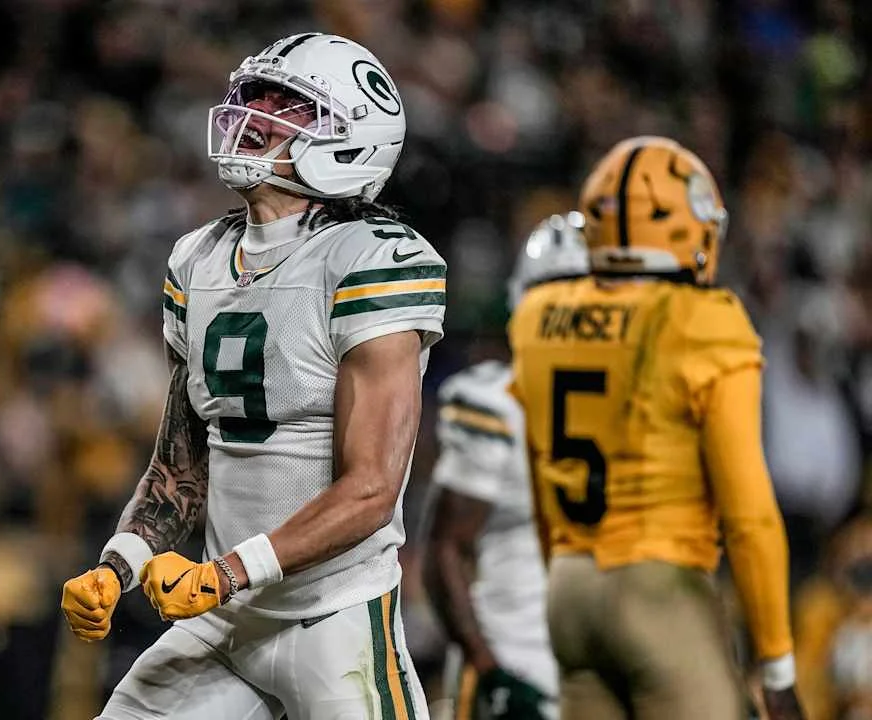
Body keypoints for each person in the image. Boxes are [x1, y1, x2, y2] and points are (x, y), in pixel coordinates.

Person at [61, 32, 444, 719]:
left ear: (350, 138)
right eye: (252, 96)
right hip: (224, 619)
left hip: (332, 616)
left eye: (285, 104)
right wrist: (117, 566)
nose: (252, 116)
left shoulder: (370, 258)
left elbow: (370, 490)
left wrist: (226, 573)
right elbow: (180, 467)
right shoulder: (199, 258)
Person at [508, 135, 805, 719]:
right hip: (656, 587)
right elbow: (749, 514)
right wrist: (776, 664)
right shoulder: (703, 320)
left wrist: (565, 574)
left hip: (569, 590)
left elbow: (542, 486)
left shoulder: (538, 315)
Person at [424, 215, 589, 720]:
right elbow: (445, 550)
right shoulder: (497, 402)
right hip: (516, 661)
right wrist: (488, 667)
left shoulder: (639, 403)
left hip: (599, 668)